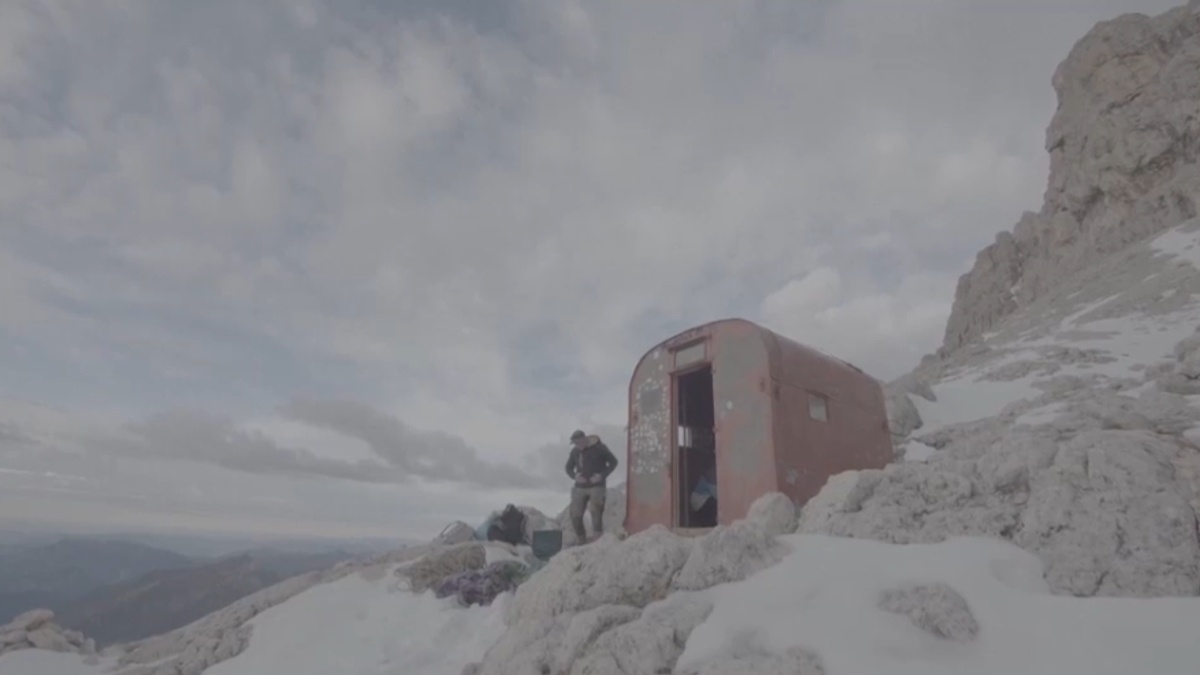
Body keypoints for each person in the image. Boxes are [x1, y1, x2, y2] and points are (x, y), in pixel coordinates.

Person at [564, 429, 619, 543]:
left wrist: (602, 476)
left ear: (584, 439)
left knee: (596, 511)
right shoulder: (575, 452)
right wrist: (575, 476)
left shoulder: (600, 448)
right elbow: (568, 468)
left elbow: (613, 462)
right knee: (575, 514)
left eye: (578, 443)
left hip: (596, 485)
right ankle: (581, 540)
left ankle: (597, 539)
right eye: (575, 444)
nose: (577, 446)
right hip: (580, 486)